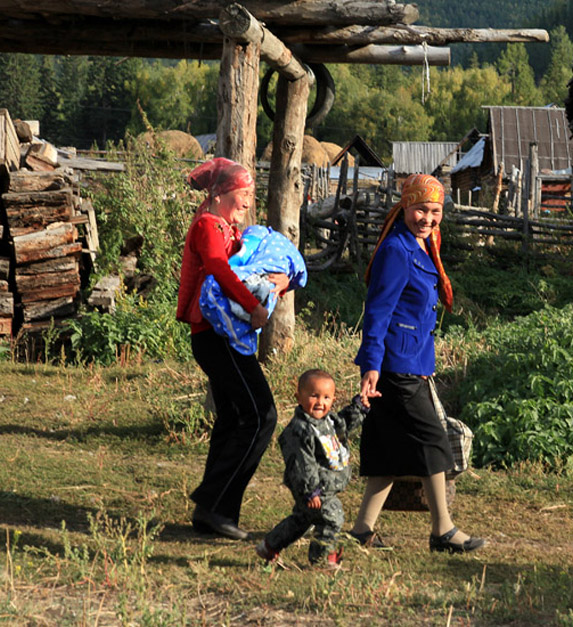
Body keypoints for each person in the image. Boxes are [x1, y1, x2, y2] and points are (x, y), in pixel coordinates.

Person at [348, 173, 485, 554]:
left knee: (387, 451)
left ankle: (361, 532)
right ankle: (443, 531)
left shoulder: (422, 245)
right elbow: (377, 311)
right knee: (433, 442)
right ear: (405, 206)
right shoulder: (397, 250)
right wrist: (371, 366)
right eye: (421, 209)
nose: (427, 218)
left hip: (412, 360)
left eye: (435, 211)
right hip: (397, 365)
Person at [177, 157, 289, 541]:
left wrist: (280, 283)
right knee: (261, 415)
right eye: (243, 193)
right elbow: (218, 269)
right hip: (214, 334)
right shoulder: (209, 226)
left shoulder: (228, 228)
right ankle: (214, 502)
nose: (247, 201)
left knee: (233, 418)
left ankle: (214, 512)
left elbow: (247, 270)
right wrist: (255, 305)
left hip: (218, 335)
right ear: (221, 193)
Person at [256, 369, 366, 569]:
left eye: (326, 397)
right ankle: (322, 559)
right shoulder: (300, 430)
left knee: (302, 519)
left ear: (333, 398)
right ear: (299, 396)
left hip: (324, 485)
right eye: (313, 396)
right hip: (314, 488)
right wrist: (310, 491)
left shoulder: (328, 421)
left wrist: (359, 407)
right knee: (332, 516)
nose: (320, 402)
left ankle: (270, 545)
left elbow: (344, 424)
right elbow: (302, 464)